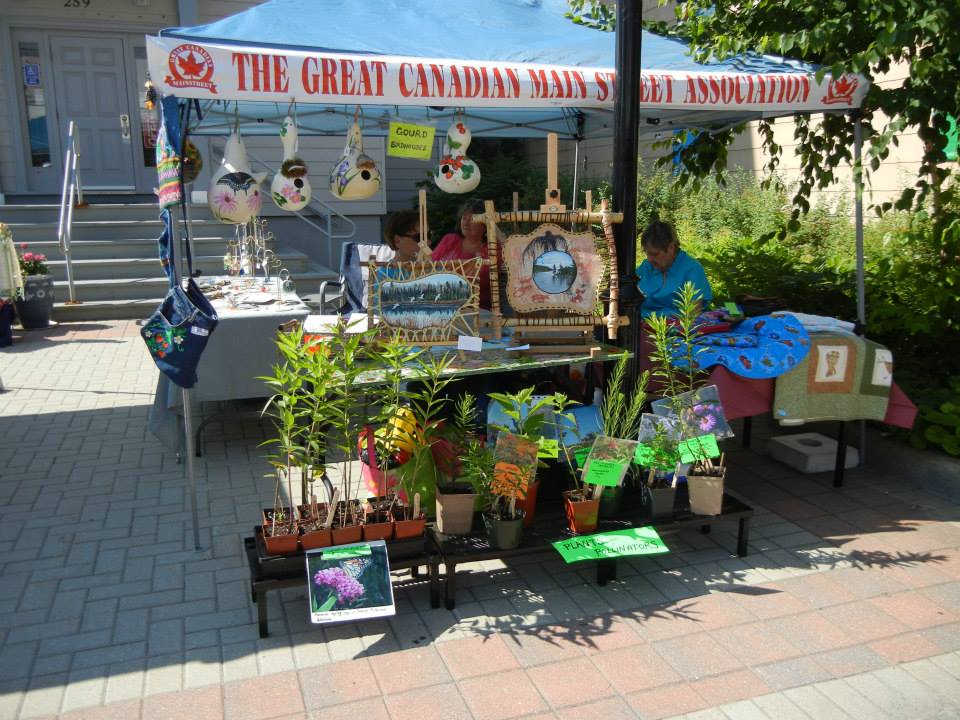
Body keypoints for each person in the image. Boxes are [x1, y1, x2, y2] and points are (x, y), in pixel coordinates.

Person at [636, 219, 712, 318]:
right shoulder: (645, 267)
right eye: (647, 253)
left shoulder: (692, 269)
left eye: (654, 254)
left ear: (671, 247)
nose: (650, 259)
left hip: (677, 330)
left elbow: (692, 313)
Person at [432, 198, 492, 308]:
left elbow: (477, 281)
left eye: (472, 218)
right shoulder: (449, 240)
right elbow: (430, 267)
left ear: (485, 225)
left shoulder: (491, 248)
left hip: (477, 309)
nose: (466, 222)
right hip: (440, 304)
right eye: (464, 217)